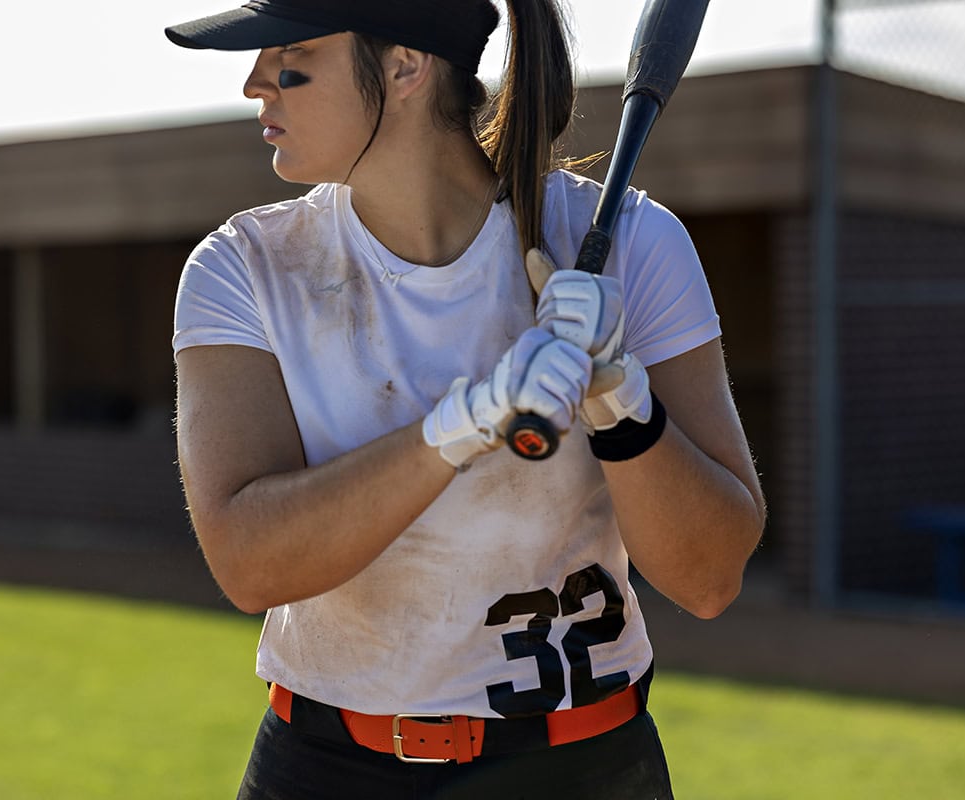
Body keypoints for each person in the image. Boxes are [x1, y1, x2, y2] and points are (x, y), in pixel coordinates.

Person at [166, 1, 765, 797]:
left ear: (405, 64)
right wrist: (463, 423)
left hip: (577, 765)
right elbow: (249, 564)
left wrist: (620, 399)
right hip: (326, 767)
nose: (254, 83)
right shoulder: (243, 268)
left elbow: (710, 577)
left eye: (289, 54)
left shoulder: (630, 241)